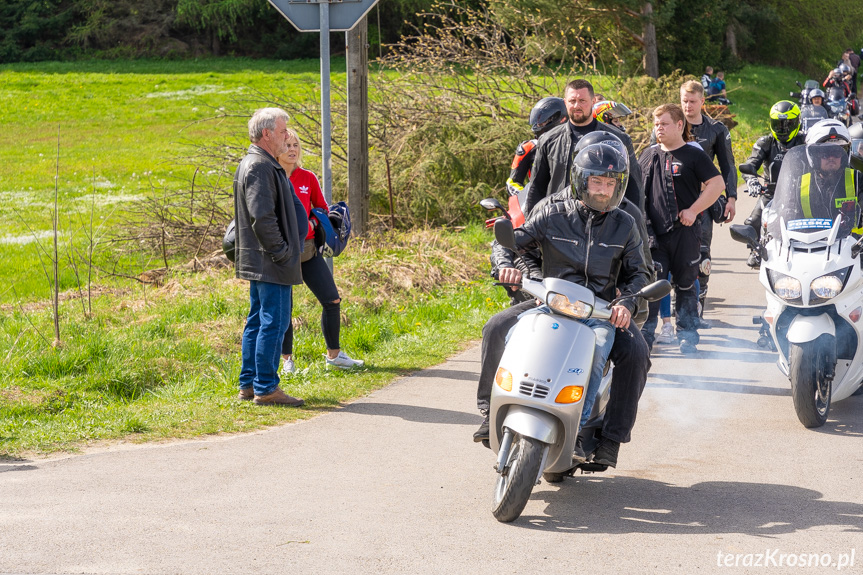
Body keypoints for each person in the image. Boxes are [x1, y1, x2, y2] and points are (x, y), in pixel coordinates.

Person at [475, 143, 651, 468]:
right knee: (496, 327)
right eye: (597, 182)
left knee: (635, 354)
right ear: (581, 180)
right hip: (548, 299)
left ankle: (605, 438)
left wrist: (627, 302)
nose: (603, 190)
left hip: (599, 310)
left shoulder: (625, 222)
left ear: (620, 184)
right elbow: (512, 242)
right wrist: (505, 265)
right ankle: (490, 413)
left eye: (610, 184)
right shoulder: (553, 210)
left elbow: (639, 272)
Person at [234, 108, 308, 407]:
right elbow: (262, 217)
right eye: (281, 131)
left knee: (258, 321)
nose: (286, 136)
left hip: (264, 259)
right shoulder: (260, 167)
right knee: (273, 322)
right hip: (270, 260)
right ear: (267, 134)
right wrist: (282, 252)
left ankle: (250, 384)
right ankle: (265, 387)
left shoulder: (261, 163)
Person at [638, 104, 724, 354]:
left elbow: (716, 184)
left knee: (686, 284)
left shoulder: (693, 154)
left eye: (664, 124)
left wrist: (694, 210)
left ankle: (687, 336)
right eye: (656, 124)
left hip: (685, 233)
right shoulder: (647, 155)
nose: (658, 129)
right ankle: (645, 336)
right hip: (653, 235)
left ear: (679, 125)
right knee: (653, 285)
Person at [277, 130, 364, 373]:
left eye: (296, 145)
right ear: (277, 148)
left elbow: (322, 209)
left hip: (308, 251)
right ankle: (287, 362)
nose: (292, 150)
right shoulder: (272, 177)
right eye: (287, 145)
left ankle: (334, 357)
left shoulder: (308, 178)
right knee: (285, 308)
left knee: (332, 299)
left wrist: (313, 224)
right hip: (283, 254)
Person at [653, 80, 737, 322]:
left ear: (702, 101)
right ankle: (669, 317)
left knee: (700, 258)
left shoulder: (716, 130)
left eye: (692, 101)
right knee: (664, 262)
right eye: (684, 101)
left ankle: (696, 311)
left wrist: (731, 197)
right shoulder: (667, 125)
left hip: (703, 202)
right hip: (670, 202)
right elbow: (652, 160)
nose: (688, 105)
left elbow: (727, 165)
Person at [524, 78, 644, 217]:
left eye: (582, 101)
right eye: (572, 101)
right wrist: (530, 226)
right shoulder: (548, 139)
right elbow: (536, 187)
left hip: (605, 222)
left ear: (593, 102)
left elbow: (634, 187)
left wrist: (636, 225)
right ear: (565, 102)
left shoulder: (619, 139)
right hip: (558, 220)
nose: (577, 106)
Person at [740, 101, 805, 268]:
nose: (782, 129)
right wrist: (753, 181)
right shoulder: (766, 142)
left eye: (787, 124)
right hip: (771, 192)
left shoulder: (806, 141)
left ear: (797, 122)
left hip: (802, 193)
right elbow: (750, 165)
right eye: (778, 124)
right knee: (754, 220)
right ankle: (756, 250)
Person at [505, 97, 568, 199]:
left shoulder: (575, 145)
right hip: (536, 204)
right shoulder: (528, 147)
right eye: (537, 121)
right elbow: (512, 183)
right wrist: (528, 197)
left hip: (566, 202)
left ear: (560, 119)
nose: (538, 125)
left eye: (542, 121)